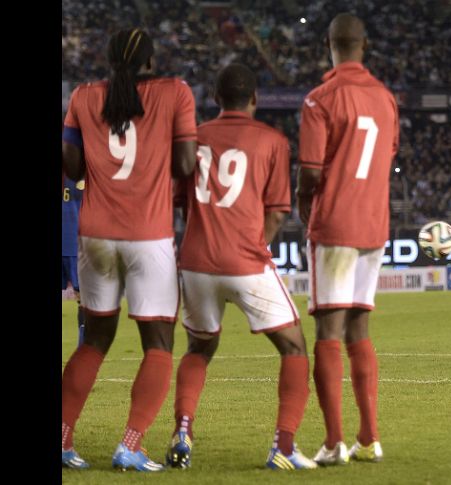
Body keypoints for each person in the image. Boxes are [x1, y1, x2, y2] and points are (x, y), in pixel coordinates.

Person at [165, 63, 317, 471]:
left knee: (200, 346)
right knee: (295, 346)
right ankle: (283, 446)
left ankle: (182, 430)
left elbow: (179, 199)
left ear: (215, 98)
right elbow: (278, 209)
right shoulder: (272, 141)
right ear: (255, 99)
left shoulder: (194, 138)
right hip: (246, 261)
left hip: (195, 262)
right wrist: (252, 246)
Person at [61, 28, 197, 471]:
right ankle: (131, 444)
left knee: (95, 339)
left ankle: (62, 439)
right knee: (157, 342)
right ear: (152, 63)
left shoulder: (82, 96)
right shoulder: (175, 93)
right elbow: (184, 164)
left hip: (95, 233)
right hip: (147, 234)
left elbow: (72, 164)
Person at [296, 12, 399, 465]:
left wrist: (307, 212)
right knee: (360, 327)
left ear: (329, 45)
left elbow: (310, 173)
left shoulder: (320, 99)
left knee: (328, 331)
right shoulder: (386, 99)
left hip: (335, 225)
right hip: (374, 226)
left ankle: (334, 442)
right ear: (366, 45)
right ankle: (370, 438)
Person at [62, 175, 85, 347]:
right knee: (84, 298)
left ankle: (83, 349)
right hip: (75, 244)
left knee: (84, 298)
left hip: (75, 243)